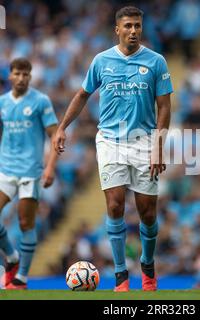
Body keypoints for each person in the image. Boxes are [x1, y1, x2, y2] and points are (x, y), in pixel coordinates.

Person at [53, 6, 173, 292]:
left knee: (147, 213)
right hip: (110, 141)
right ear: (117, 30)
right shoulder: (102, 60)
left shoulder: (156, 62)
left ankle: (147, 263)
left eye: (138, 26)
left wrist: (158, 146)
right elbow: (82, 94)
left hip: (144, 142)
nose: (133, 31)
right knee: (115, 204)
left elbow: (165, 106)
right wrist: (61, 127)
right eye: (128, 26)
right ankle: (121, 274)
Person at [0, 58, 58, 289]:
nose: (22, 78)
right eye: (17, 74)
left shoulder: (40, 101)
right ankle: (11, 256)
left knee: (26, 223)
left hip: (30, 172)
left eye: (26, 74)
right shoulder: (2, 102)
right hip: (5, 169)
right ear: (10, 75)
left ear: (30, 76)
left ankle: (21, 277)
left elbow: (55, 136)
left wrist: (50, 167)